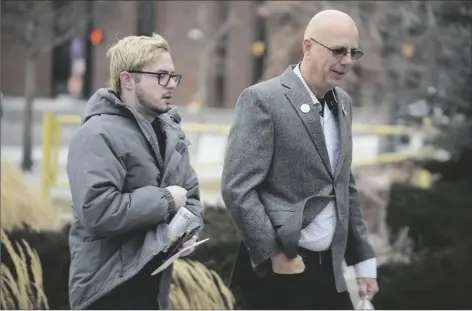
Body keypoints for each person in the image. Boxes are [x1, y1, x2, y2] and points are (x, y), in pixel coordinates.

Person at [221, 9, 379, 310]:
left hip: (329, 272)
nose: (346, 61)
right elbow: (237, 188)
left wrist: (363, 262)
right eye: (337, 51)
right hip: (280, 275)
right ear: (307, 46)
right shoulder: (262, 100)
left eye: (352, 52)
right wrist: (275, 254)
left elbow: (344, 185)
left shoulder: (343, 103)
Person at [66, 33, 203, 310]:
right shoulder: (98, 133)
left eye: (174, 76)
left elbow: (191, 197)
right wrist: (164, 200)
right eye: (160, 76)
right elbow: (97, 210)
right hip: (106, 291)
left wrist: (190, 231)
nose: (171, 85)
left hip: (153, 289)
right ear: (128, 80)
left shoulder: (171, 133)